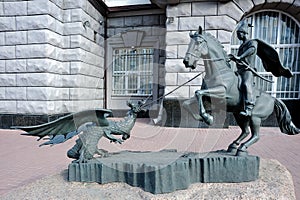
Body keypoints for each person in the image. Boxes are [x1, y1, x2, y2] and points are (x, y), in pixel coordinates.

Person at [229, 21, 258, 117]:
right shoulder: (241, 46)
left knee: (246, 84)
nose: (237, 36)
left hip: (248, 71)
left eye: (238, 33)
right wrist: (233, 58)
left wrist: (240, 57)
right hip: (240, 70)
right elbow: (239, 60)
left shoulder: (252, 42)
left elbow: (252, 50)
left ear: (244, 32)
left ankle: (249, 107)